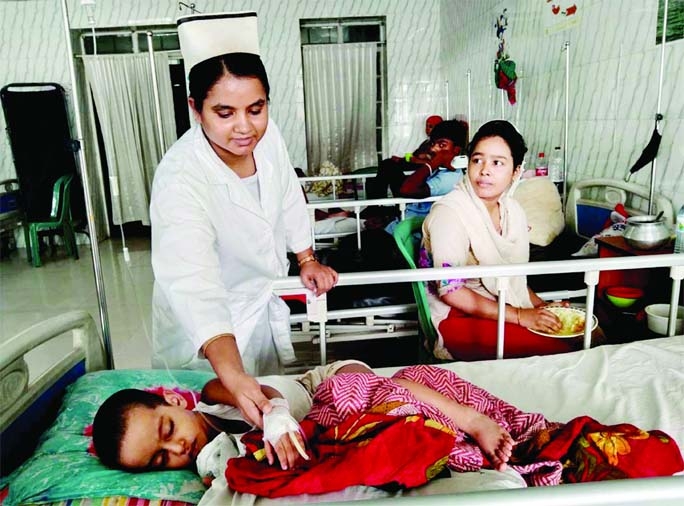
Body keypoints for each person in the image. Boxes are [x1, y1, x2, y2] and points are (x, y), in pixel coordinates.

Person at [149, 12, 338, 429]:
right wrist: (231, 374)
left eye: (256, 108)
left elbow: (288, 194)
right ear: (195, 109)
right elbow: (195, 285)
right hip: (206, 329)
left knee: (271, 415)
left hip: (258, 301)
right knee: (213, 423)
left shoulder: (269, 137)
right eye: (225, 112)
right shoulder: (180, 178)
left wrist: (306, 258)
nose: (244, 127)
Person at [91, 361, 515, 477]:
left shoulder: (212, 398)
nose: (178, 447)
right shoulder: (214, 462)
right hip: (327, 426)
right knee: (382, 435)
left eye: (167, 430)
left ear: (172, 402)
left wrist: (274, 416)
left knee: (372, 394)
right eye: (161, 459)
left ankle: (471, 420)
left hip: (321, 386)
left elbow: (265, 395)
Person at [420, 120, 596, 361]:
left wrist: (541, 307)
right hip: (457, 316)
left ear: (515, 172)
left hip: (501, 305)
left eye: (497, 163)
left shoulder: (512, 211)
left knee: (586, 333)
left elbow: (513, 280)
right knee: (566, 349)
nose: (484, 170)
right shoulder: (450, 213)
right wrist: (522, 316)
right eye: (477, 160)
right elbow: (452, 292)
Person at [365, 118, 464, 205]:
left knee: (388, 165)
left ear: (457, 150)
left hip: (412, 200)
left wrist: (432, 163)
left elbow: (406, 190)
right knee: (387, 164)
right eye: (433, 144)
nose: (433, 149)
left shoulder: (450, 178)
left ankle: (375, 209)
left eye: (442, 145)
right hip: (414, 198)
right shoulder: (438, 163)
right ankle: (375, 209)